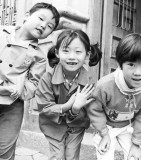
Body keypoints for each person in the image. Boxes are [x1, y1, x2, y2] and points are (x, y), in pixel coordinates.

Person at [0, 2, 60, 159]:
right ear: (27, 15)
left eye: (49, 26)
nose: (43, 25)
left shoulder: (39, 55)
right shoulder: (1, 32)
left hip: (11, 105)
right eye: (41, 18)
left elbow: (33, 83)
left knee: (4, 150)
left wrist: (21, 89)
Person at [87, 33, 141, 160]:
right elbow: (94, 109)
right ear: (120, 65)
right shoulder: (105, 85)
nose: (138, 73)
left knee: (135, 157)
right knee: (105, 154)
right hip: (106, 126)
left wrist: (136, 144)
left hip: (128, 126)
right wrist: (104, 133)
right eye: (131, 65)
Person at [35, 29, 102, 160]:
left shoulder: (89, 81)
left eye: (78, 52)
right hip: (53, 126)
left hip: (77, 126)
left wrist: (76, 109)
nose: (72, 56)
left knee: (72, 157)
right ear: (57, 52)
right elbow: (45, 108)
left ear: (87, 55)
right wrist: (67, 105)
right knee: (58, 157)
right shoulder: (47, 78)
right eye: (66, 50)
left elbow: (93, 109)